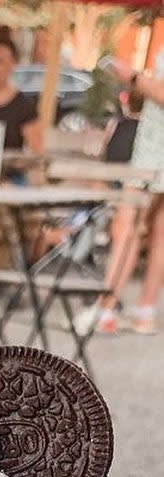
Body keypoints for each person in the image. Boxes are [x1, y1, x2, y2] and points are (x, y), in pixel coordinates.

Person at [85, 51, 164, 334]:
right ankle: (145, 310)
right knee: (158, 230)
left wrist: (132, 76)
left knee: (127, 225)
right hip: (154, 142)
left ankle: (107, 307)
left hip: (156, 150)